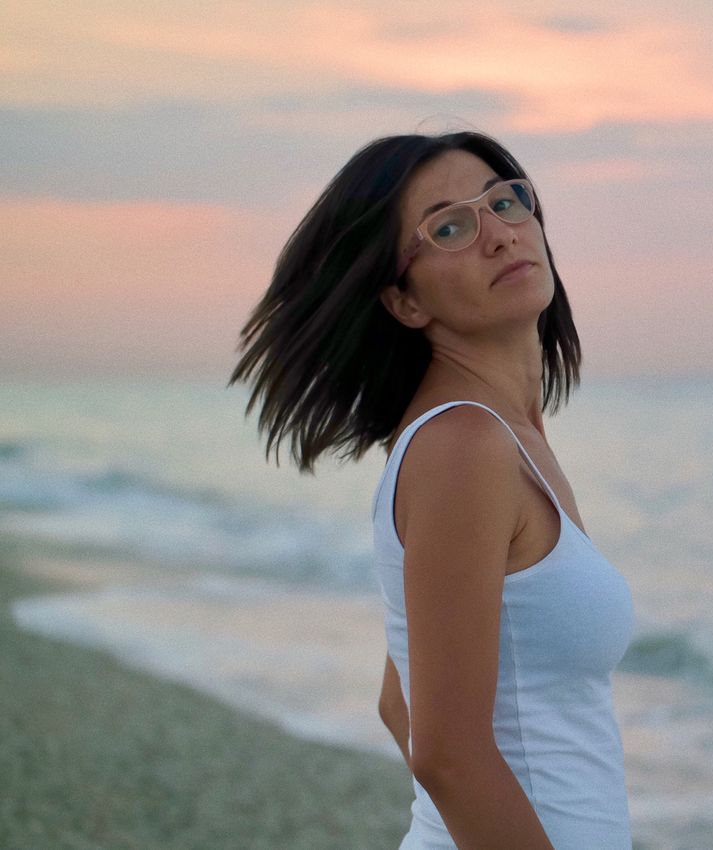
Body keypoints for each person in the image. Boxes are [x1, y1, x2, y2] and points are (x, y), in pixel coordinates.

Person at [229, 131, 635, 849]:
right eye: (449, 226)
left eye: (506, 201)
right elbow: (444, 753)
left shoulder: (506, 442)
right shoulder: (463, 448)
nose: (500, 234)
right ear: (404, 302)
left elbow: (399, 700)